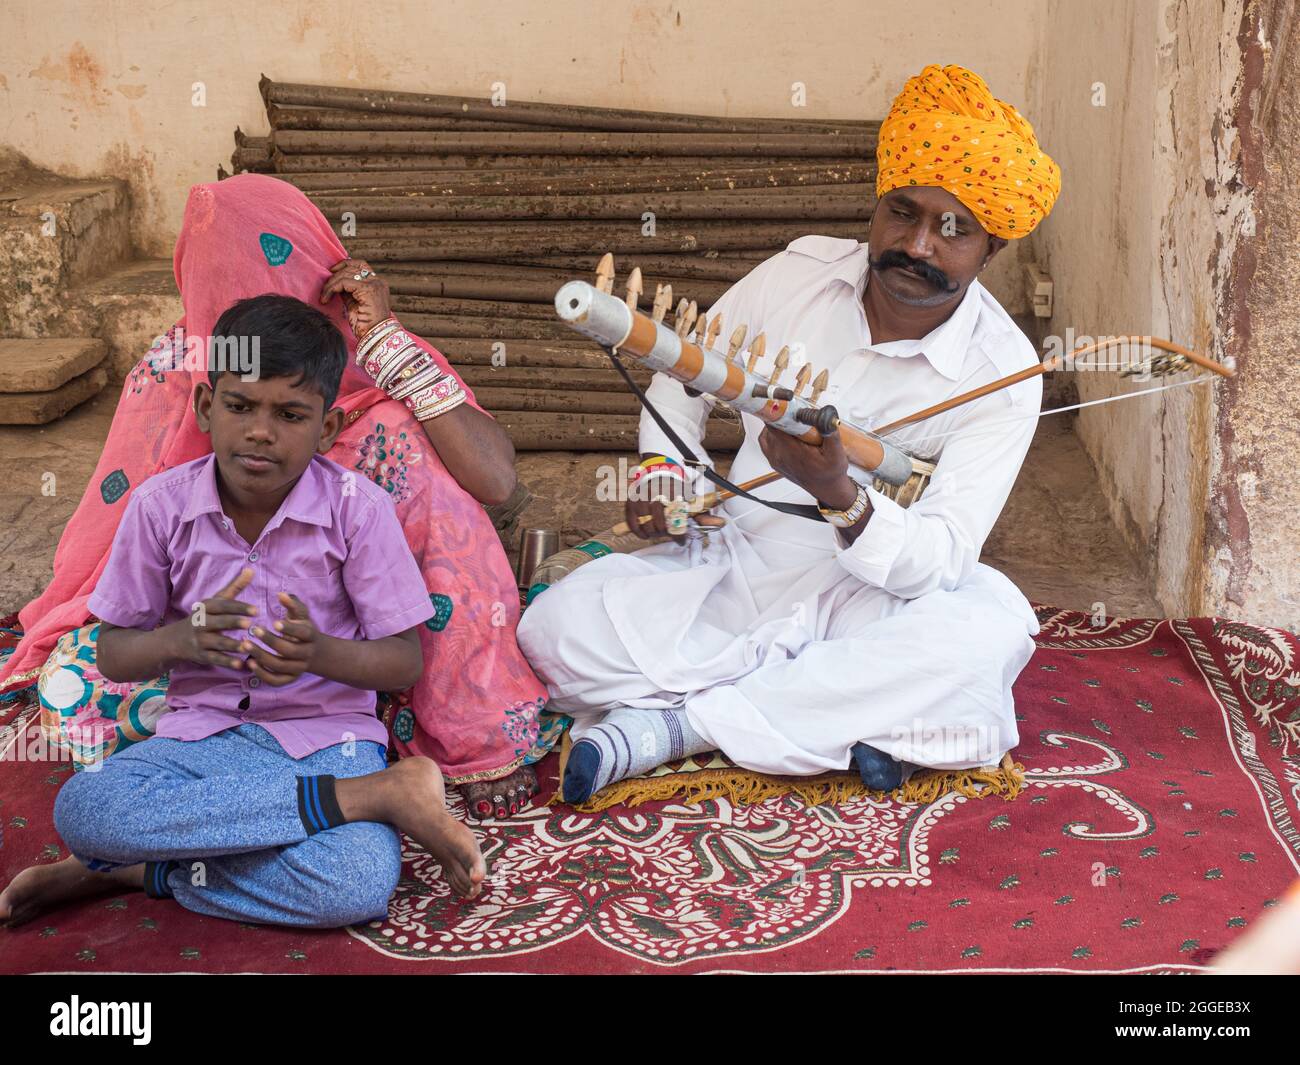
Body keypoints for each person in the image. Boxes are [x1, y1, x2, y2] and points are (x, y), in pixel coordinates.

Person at [517, 64, 1063, 801]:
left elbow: (941, 557)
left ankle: (669, 731)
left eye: (955, 229)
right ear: (877, 205)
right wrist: (663, 477)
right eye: (904, 212)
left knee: (979, 639)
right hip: (731, 560)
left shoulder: (1004, 371)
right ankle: (845, 721)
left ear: (991, 250)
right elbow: (683, 376)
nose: (921, 245)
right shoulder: (796, 274)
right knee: (554, 631)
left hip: (869, 597)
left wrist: (842, 494)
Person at [0, 174, 555, 818]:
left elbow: (494, 482)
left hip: (353, 662)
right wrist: (178, 636)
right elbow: (125, 533)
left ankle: (423, 730)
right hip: (205, 661)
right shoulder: (177, 363)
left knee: (401, 444)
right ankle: (332, 801)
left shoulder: (373, 364)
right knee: (74, 694)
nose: (259, 431)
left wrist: (389, 349)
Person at [0, 293, 485, 928]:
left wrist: (319, 654)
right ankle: (369, 798)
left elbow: (402, 663)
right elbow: (115, 654)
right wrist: (183, 641)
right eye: (239, 406)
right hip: (201, 740)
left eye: (290, 414)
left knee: (352, 886)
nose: (260, 431)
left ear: (327, 429)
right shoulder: (159, 507)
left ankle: (136, 868)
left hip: (328, 742)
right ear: (206, 407)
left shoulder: (357, 509)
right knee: (85, 810)